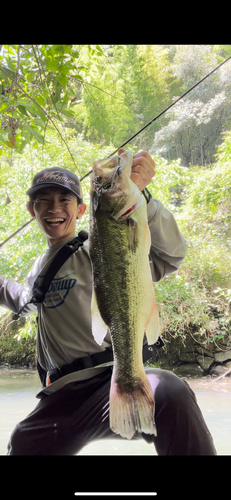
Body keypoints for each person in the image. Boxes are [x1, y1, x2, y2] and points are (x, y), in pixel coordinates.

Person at [0, 149, 216, 455]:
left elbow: (170, 256)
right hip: (60, 396)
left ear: (81, 208)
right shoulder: (40, 267)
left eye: (64, 200)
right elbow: (28, 302)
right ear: (31, 209)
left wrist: (145, 199)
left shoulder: (98, 247)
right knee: (23, 442)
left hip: (107, 380)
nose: (54, 208)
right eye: (44, 200)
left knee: (170, 392)